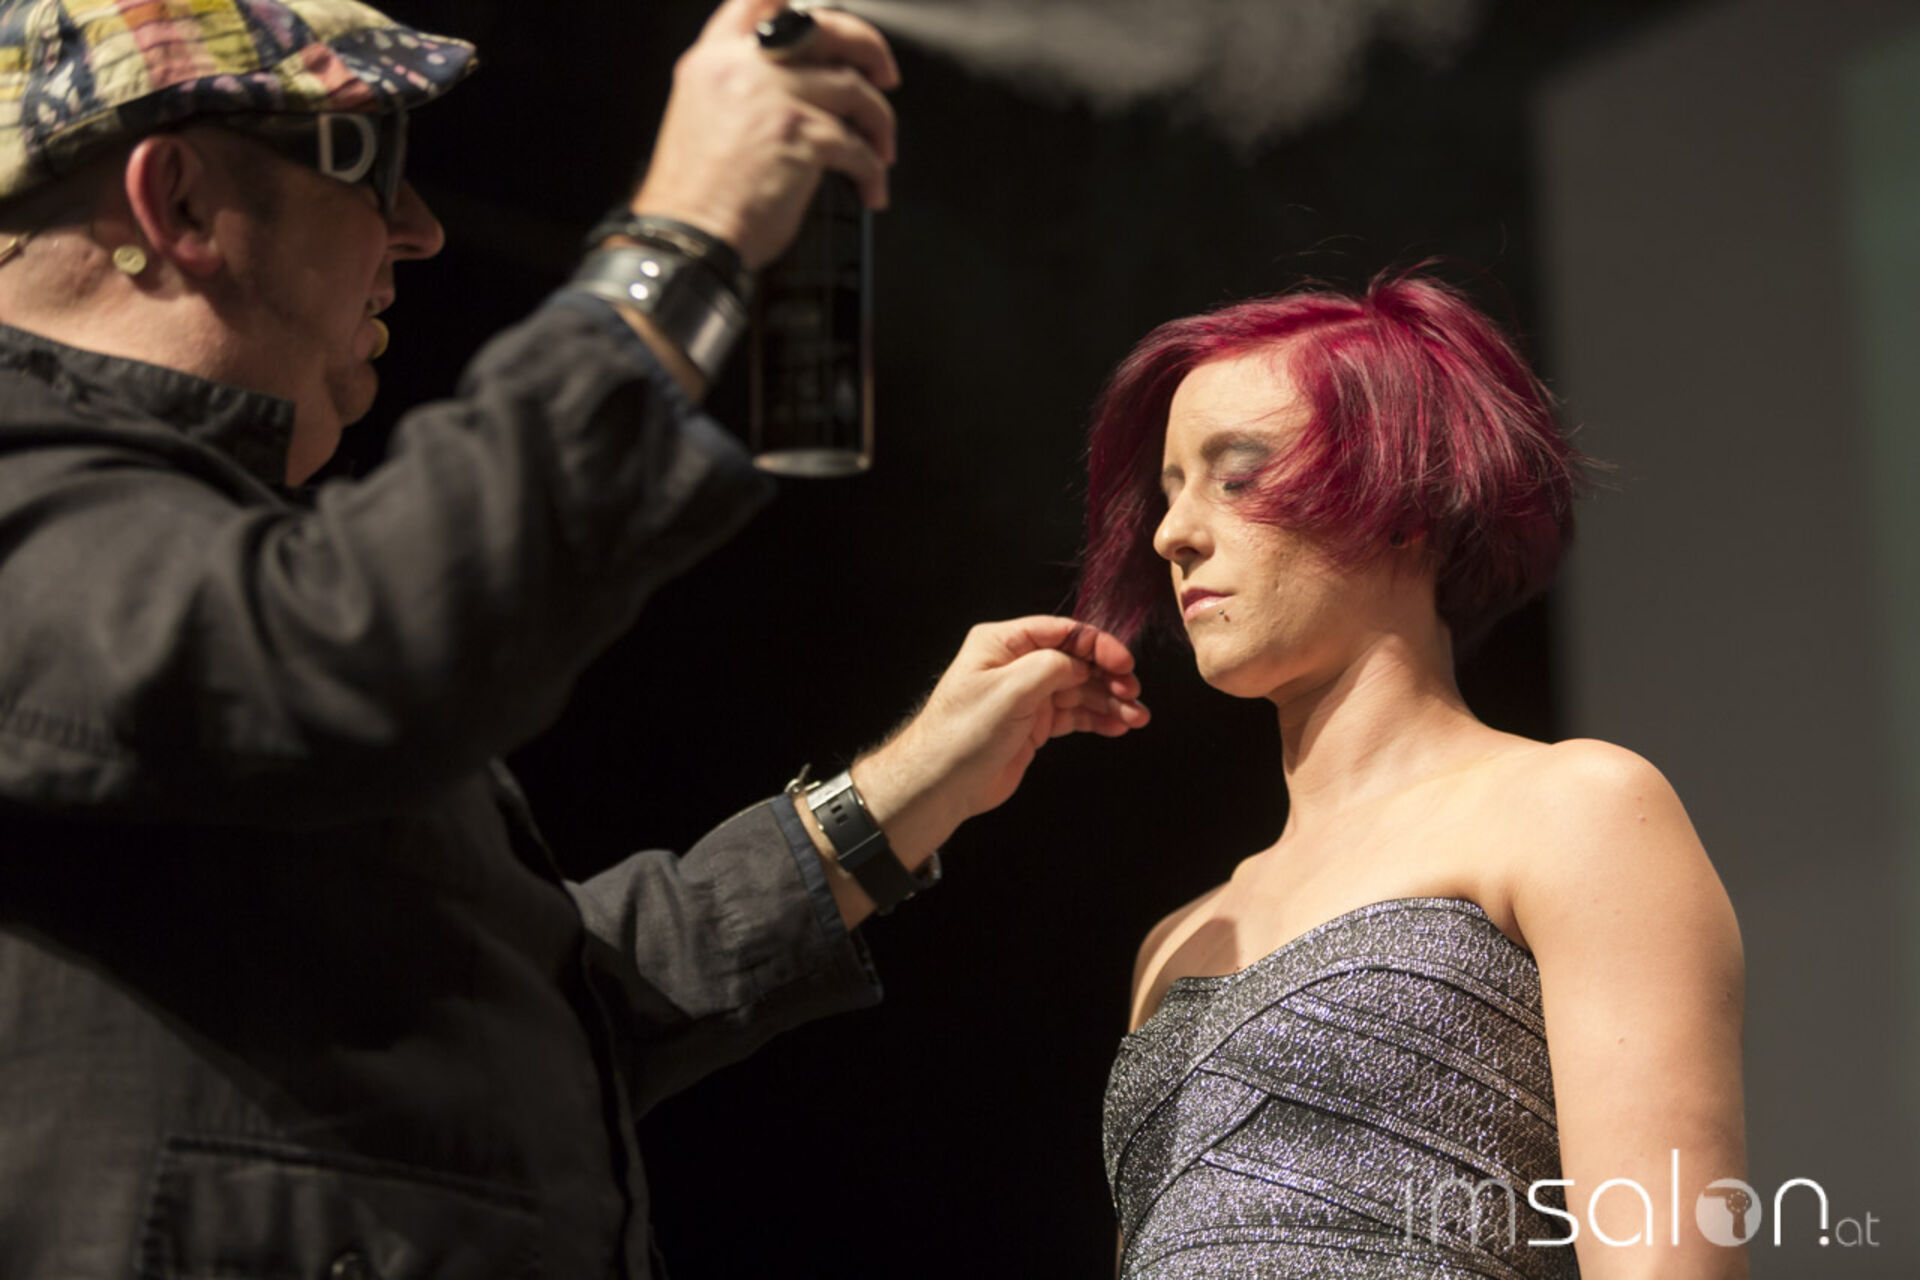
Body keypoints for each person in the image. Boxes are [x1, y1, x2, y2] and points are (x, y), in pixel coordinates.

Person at [0, 0, 1149, 1276]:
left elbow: (533, 994)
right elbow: (340, 649)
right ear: (178, 201)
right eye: (367, 160)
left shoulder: (160, 582)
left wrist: (892, 799)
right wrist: (675, 243)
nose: (418, 226)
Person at [1078, 273, 1747, 1278]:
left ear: (1401, 503)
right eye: (1170, 489)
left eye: (1237, 476)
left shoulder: (1576, 810)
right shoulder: (1178, 943)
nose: (1172, 532)